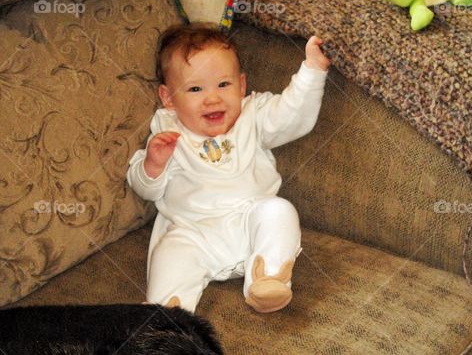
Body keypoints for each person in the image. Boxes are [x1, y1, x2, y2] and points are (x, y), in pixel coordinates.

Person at [127, 23, 330, 313]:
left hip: (251, 222)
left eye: (224, 84)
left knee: (280, 210)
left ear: (242, 85)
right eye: (195, 88)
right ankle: (168, 315)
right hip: (192, 231)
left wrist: (313, 70)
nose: (213, 98)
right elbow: (146, 189)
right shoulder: (167, 132)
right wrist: (152, 165)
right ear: (169, 98)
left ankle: (268, 277)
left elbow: (293, 114)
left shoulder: (254, 114)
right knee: (171, 253)